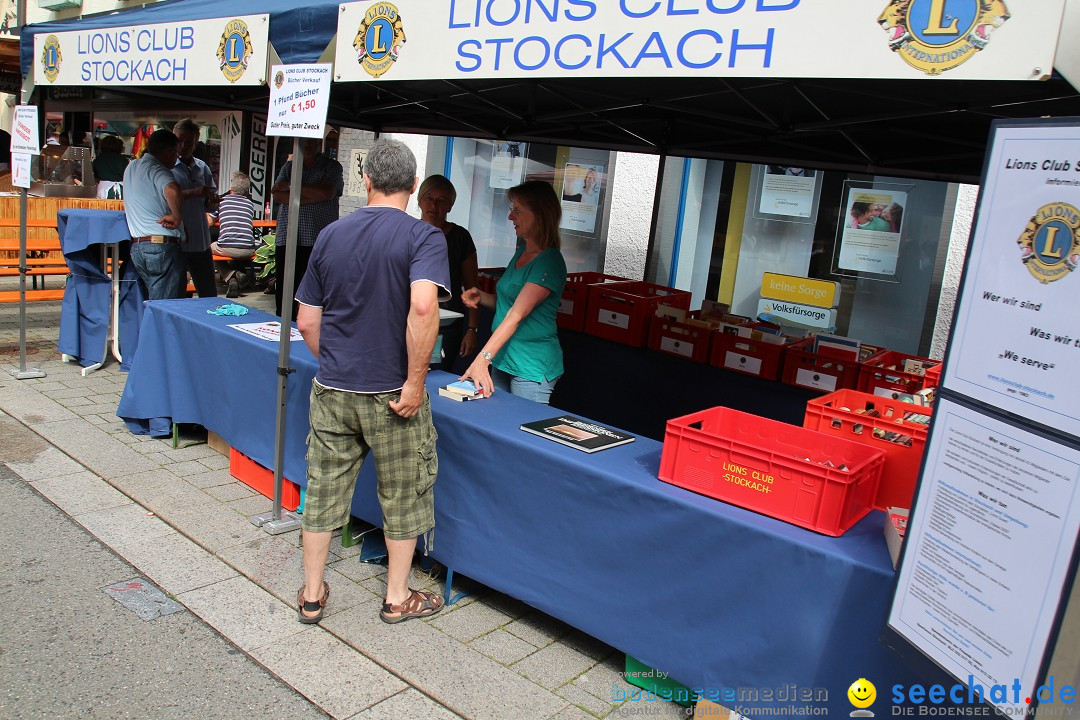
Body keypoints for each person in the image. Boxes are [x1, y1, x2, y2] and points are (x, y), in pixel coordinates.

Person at [294, 139, 450, 626]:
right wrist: (415, 381)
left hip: (334, 387)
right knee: (402, 493)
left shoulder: (330, 234)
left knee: (322, 492)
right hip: (392, 394)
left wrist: (336, 362)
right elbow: (424, 307)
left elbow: (306, 322)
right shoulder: (424, 238)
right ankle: (396, 596)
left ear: (366, 182)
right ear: (413, 184)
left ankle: (313, 595)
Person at [460, 180, 567, 404]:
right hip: (504, 359)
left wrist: (482, 359)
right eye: (512, 210)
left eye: (517, 211)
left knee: (521, 431)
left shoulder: (550, 261)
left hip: (531, 366)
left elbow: (517, 314)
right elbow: (508, 302)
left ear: (540, 214)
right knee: (497, 424)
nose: (511, 217)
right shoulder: (521, 253)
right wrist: (481, 297)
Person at [271, 137, 344, 320]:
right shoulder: (289, 167)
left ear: (320, 143)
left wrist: (293, 191)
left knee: (314, 292)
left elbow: (328, 192)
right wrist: (312, 194)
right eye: (305, 141)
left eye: (313, 141)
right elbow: (277, 193)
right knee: (285, 291)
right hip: (288, 237)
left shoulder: (332, 166)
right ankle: (282, 329)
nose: (308, 144)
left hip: (318, 239)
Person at [417, 174, 479, 372]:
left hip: (447, 323)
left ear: (451, 206)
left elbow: (471, 289)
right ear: (419, 200)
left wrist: (472, 329)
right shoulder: (409, 232)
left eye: (442, 200)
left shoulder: (460, 237)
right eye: (429, 198)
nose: (434, 205)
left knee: (436, 377)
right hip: (412, 318)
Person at [121, 129, 184, 300]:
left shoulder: (132, 167)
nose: (176, 158)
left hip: (138, 247)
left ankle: (151, 326)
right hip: (161, 245)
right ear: (169, 152)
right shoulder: (158, 169)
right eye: (176, 154)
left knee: (154, 301)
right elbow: (173, 189)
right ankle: (154, 327)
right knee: (164, 307)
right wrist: (176, 216)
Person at [171, 119, 218, 298]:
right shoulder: (166, 168)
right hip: (177, 241)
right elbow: (162, 198)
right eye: (179, 140)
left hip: (200, 239)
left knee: (208, 292)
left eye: (188, 142)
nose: (183, 146)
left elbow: (210, 203)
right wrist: (193, 192)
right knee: (178, 293)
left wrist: (214, 200)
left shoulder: (201, 167)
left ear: (196, 142)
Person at [211, 171, 258, 298]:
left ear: (231, 188)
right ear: (247, 191)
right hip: (248, 249)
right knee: (235, 247)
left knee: (207, 249)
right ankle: (236, 278)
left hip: (227, 247)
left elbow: (210, 221)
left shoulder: (222, 201)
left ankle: (232, 276)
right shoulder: (250, 204)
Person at [93, 134, 128, 199]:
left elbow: (94, 175)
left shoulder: (99, 159)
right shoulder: (124, 159)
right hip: (122, 189)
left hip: (104, 188)